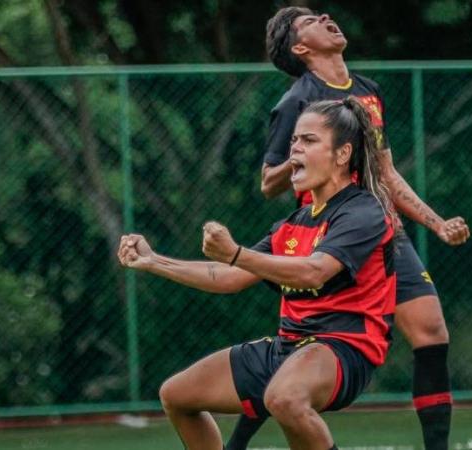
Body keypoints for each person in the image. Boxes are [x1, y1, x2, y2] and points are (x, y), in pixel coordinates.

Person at [227, 7, 471, 450]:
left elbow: (386, 172)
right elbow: (268, 182)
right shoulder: (296, 101)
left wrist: (436, 223)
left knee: (432, 330)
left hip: (381, 230)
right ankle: (236, 443)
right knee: (297, 351)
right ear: (301, 48)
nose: (325, 16)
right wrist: (303, 154)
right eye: (309, 21)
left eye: (322, 13)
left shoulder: (368, 92)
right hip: (328, 235)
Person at [120, 97, 396, 450]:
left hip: (345, 349)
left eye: (309, 140)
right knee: (177, 395)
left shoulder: (363, 211)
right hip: (289, 347)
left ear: (342, 155)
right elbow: (231, 276)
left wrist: (236, 253)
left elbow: (314, 272)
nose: (295, 147)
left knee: (285, 398)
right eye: (294, 140)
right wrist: (155, 261)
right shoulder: (292, 224)